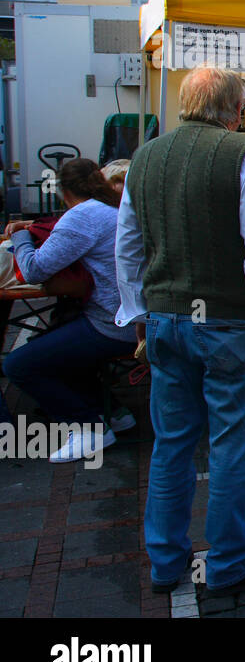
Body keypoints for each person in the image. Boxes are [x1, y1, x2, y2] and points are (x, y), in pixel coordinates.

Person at [116, 67, 245, 595]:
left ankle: (165, 562)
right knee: (235, 447)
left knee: (171, 446)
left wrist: (138, 314)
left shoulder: (145, 159)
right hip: (232, 321)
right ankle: (229, 564)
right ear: (236, 108)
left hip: (167, 319)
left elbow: (127, 247)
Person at [2, 160, 138, 461]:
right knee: (58, 343)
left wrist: (21, 237)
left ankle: (90, 430)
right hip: (132, 319)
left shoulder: (82, 216)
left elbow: (35, 268)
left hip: (113, 324)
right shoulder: (109, 208)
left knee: (18, 365)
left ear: (63, 191)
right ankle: (114, 412)